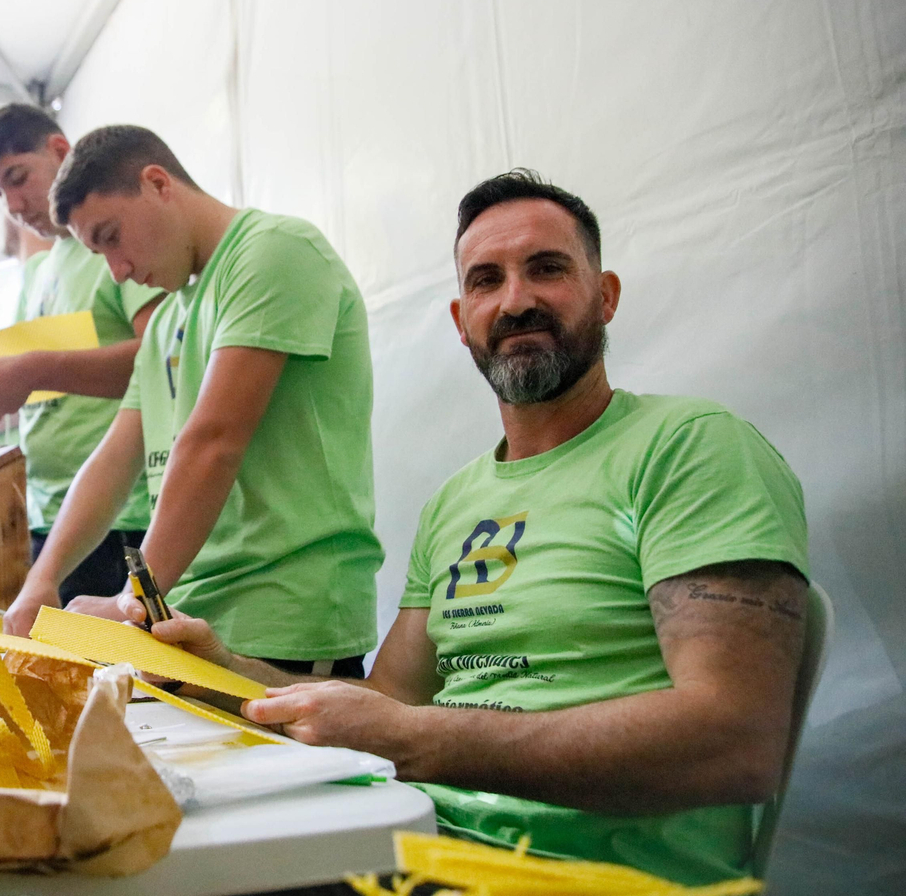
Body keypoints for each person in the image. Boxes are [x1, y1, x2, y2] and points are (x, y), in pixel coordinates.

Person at [151, 171, 809, 885]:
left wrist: (422, 742)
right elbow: (393, 702)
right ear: (462, 319)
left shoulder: (690, 447)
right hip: (407, 854)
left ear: (607, 295)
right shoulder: (457, 501)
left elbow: (735, 741)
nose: (516, 300)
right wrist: (217, 668)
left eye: (548, 269)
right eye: (486, 280)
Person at [6, 125, 384, 676]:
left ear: (157, 184)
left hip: (284, 620)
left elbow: (213, 443)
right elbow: (113, 460)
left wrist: (125, 600)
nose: (118, 270)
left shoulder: (274, 251)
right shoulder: (168, 319)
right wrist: (42, 578)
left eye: (112, 236)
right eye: (97, 251)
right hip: (192, 617)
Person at [0, 105, 164, 603]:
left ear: (59, 151)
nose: (12, 202)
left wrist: (31, 366)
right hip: (51, 514)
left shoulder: (114, 246)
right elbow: (53, 387)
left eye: (17, 177)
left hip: (122, 516)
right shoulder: (37, 271)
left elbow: (160, 359)